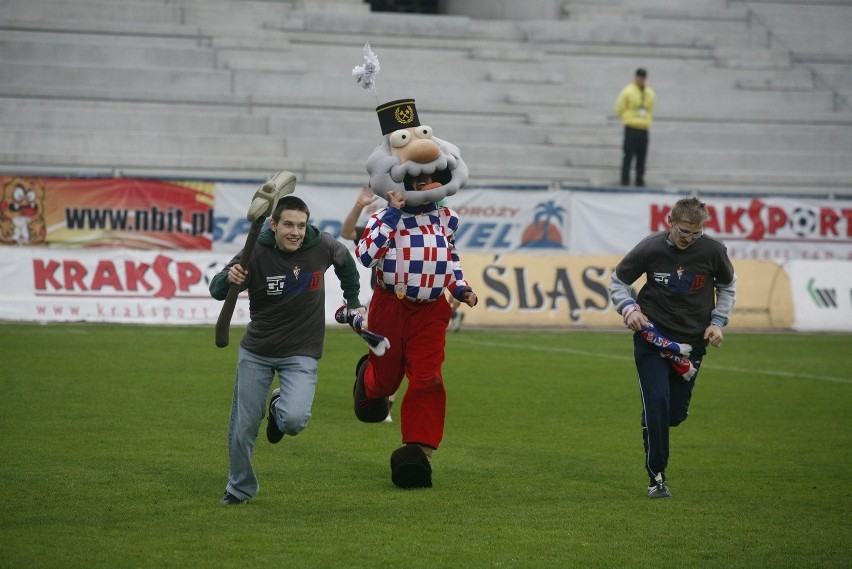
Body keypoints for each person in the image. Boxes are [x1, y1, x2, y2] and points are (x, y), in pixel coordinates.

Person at [352, 98, 476, 489]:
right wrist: (391, 213)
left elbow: (449, 257)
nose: (427, 187)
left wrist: (460, 286)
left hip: (431, 311)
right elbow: (366, 254)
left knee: (428, 380)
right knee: (386, 383)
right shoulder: (384, 217)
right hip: (392, 304)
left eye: (430, 181)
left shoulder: (446, 217)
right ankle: (368, 377)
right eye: (418, 182)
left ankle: (417, 454)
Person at [209, 195, 364, 505]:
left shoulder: (323, 245)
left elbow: (347, 265)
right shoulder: (255, 250)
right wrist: (231, 278)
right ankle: (239, 488)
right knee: (244, 427)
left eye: (302, 225)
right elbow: (216, 289)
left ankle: (278, 406)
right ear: (273, 224)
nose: (296, 232)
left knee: (294, 420)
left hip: (301, 351)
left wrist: (354, 300)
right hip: (257, 351)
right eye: (289, 225)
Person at [608, 196, 737, 499]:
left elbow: (727, 286)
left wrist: (718, 322)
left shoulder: (714, 251)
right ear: (671, 221)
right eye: (683, 231)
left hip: (692, 344)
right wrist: (629, 309)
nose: (688, 239)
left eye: (695, 233)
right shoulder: (649, 247)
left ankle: (653, 421)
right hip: (651, 338)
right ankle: (657, 478)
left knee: (673, 414)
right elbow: (618, 281)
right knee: (656, 404)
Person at [615, 68, 655, 187]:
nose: (641, 80)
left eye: (643, 78)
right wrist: (626, 119)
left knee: (642, 156)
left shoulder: (650, 92)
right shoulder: (628, 91)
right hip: (631, 127)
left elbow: (651, 109)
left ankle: (639, 179)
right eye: (639, 77)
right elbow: (619, 107)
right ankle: (625, 179)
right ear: (636, 77)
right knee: (628, 154)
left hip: (643, 128)